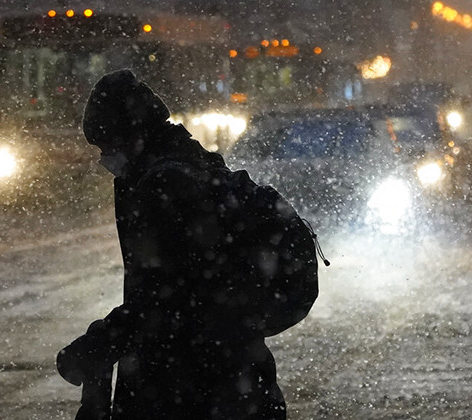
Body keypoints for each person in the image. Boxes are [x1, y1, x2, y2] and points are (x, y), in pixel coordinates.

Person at [57, 70, 302, 420]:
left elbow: (168, 297)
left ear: (126, 136)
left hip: (192, 386)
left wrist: (98, 344)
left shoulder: (167, 183)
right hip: (234, 377)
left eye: (106, 146)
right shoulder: (190, 162)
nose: (104, 158)